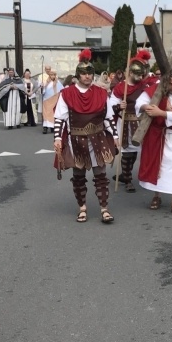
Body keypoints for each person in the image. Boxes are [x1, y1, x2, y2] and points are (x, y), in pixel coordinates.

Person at [53, 49, 119, 224]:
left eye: (90, 72)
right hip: (76, 140)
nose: (87, 76)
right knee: (79, 176)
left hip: (97, 138)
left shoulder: (101, 93)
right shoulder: (67, 94)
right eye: (83, 73)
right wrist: (58, 139)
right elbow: (60, 118)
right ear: (78, 74)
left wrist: (115, 135)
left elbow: (108, 118)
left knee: (101, 175)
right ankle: (82, 208)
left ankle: (104, 209)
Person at [136, 68, 172, 214]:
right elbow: (139, 102)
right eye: (171, 84)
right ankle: (157, 195)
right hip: (158, 135)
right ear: (166, 82)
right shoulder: (156, 90)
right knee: (158, 166)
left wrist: (161, 113)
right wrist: (147, 106)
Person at [109, 50, 152, 192]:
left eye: (141, 75)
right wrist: (118, 106)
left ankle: (125, 174)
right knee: (127, 152)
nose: (140, 77)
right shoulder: (121, 87)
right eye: (137, 74)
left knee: (134, 153)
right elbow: (110, 106)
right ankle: (127, 180)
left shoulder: (144, 86)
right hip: (125, 123)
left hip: (140, 123)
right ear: (131, 73)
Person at [41, 70, 64, 134]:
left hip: (54, 100)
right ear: (49, 75)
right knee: (46, 113)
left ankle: (52, 127)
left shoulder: (58, 82)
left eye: (54, 75)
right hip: (46, 99)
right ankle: (45, 127)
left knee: (52, 113)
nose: (52, 76)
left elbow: (62, 90)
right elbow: (43, 91)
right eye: (51, 75)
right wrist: (42, 87)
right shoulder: (46, 82)